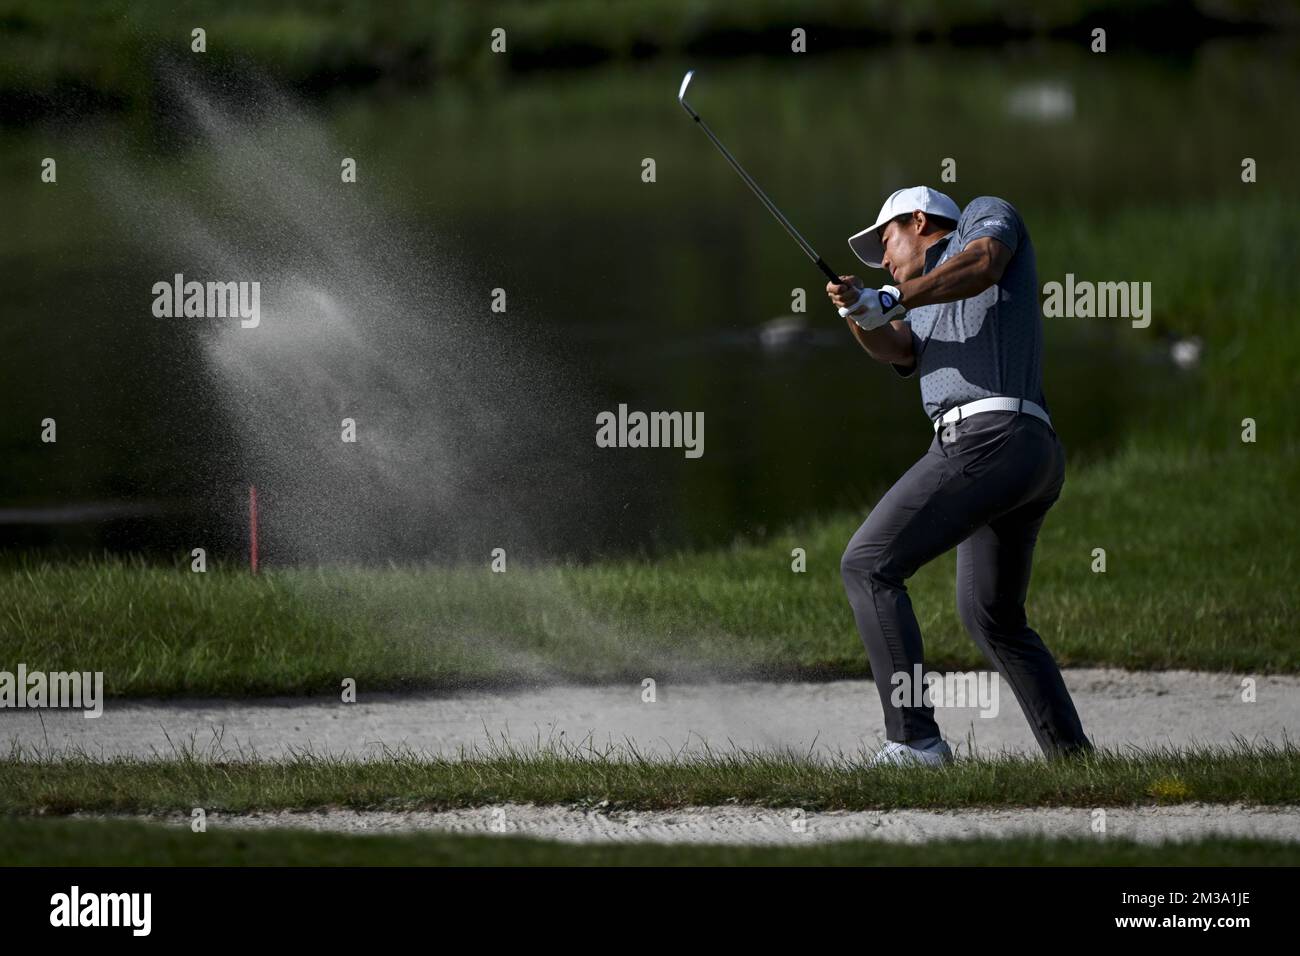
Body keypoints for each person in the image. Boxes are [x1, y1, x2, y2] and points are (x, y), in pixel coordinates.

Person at [826, 186, 1092, 767]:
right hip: (1020, 454)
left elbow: (983, 266)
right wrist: (859, 312)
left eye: (887, 242)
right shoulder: (920, 301)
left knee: (868, 563)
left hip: (991, 437)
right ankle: (1074, 761)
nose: (885, 259)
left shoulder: (981, 218)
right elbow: (896, 348)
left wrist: (892, 294)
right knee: (989, 614)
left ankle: (915, 741)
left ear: (920, 221)